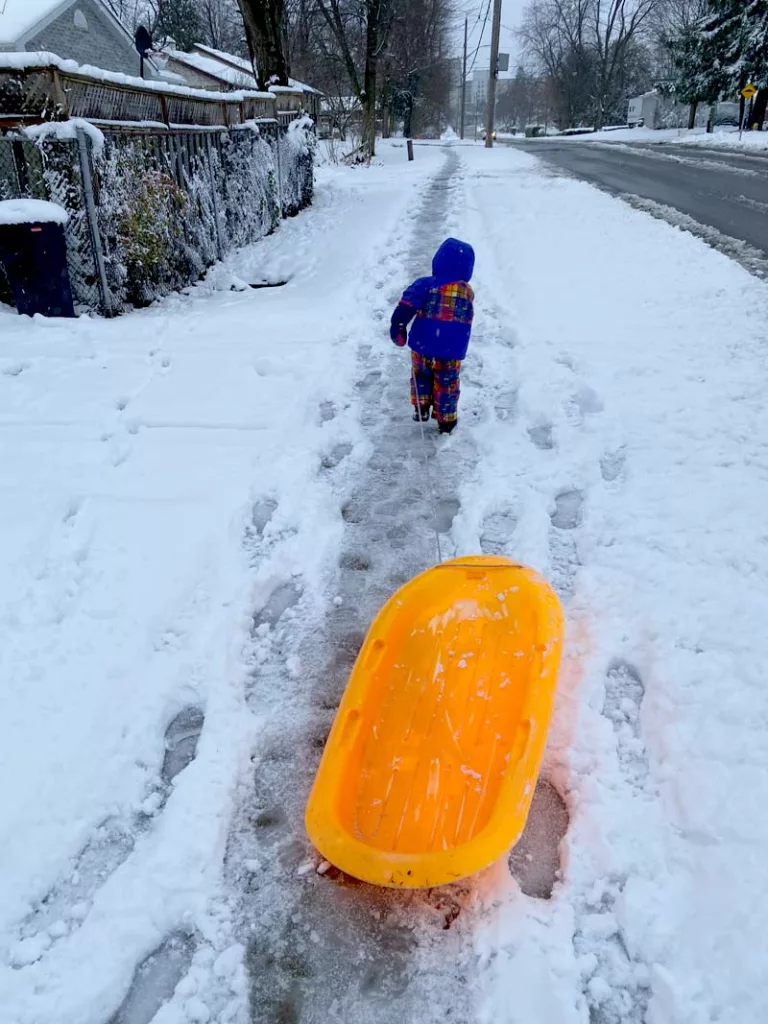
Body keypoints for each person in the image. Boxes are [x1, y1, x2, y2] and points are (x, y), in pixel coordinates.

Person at [389, 237, 475, 434]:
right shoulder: (467, 292)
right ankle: (446, 420)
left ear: (438, 260)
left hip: (423, 345)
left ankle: (421, 407)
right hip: (451, 351)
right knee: (447, 383)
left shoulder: (425, 285)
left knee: (421, 375)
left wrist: (398, 327)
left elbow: (406, 307)